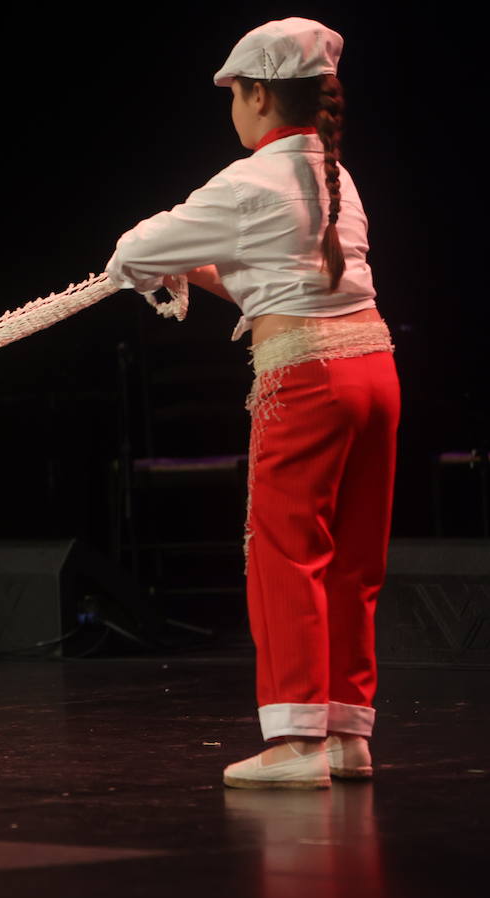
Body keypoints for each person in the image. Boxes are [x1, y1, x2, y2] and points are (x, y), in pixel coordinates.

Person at [105, 19, 399, 789]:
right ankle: (345, 735)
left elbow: (132, 252)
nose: (232, 107)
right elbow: (283, 277)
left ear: (259, 93)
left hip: (306, 376)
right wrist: (210, 273)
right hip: (374, 371)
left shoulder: (246, 182)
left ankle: (296, 745)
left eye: (235, 93)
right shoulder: (338, 173)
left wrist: (175, 265)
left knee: (284, 553)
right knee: (353, 558)